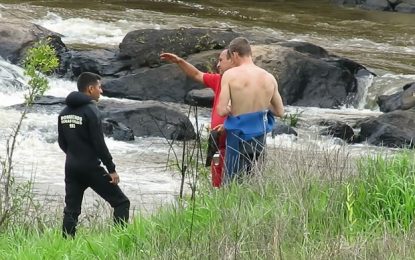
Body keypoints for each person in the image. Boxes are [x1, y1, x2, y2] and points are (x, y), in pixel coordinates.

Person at [58, 72, 130, 238]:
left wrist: (75, 155)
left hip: (71, 166)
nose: (101, 91)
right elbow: (99, 144)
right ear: (90, 89)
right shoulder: (91, 110)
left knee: (71, 211)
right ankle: (119, 241)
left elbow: (62, 143)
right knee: (121, 202)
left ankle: (66, 245)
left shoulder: (63, 113)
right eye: (99, 87)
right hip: (90, 167)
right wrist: (111, 168)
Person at [160, 50, 233, 187]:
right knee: (216, 183)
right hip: (216, 141)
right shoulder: (219, 80)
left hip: (232, 143)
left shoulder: (240, 84)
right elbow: (196, 74)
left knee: (231, 182)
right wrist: (179, 61)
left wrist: (228, 125)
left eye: (221, 60)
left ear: (233, 60)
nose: (218, 64)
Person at [217, 37, 284, 181]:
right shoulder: (269, 77)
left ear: (234, 54)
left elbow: (221, 110)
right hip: (259, 136)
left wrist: (232, 107)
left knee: (232, 183)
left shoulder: (230, 75)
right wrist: (263, 103)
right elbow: (280, 112)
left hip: (238, 136)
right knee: (254, 180)